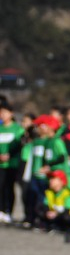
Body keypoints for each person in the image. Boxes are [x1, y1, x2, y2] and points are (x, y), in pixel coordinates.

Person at [22, 114, 70, 228]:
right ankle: (39, 220)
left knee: (57, 199)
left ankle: (65, 224)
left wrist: (48, 167)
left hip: (58, 176)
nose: (39, 128)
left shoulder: (56, 141)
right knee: (37, 199)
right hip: (46, 175)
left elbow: (62, 157)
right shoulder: (47, 141)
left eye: (42, 126)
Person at [0, 96, 24, 224]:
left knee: (9, 188)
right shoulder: (0, 128)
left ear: (11, 113)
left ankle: (9, 211)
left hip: (12, 164)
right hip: (1, 164)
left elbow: (20, 145)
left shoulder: (18, 129)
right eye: (1, 113)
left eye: (5, 112)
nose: (2, 115)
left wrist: (10, 155)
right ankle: (1, 210)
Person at [39, 169, 70, 239]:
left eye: (53, 178)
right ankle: (52, 226)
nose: (50, 181)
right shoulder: (49, 192)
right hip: (54, 216)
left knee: (66, 218)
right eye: (50, 179)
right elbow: (45, 206)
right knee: (40, 211)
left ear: (61, 181)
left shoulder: (67, 194)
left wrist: (56, 214)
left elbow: (67, 210)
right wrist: (47, 212)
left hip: (65, 216)